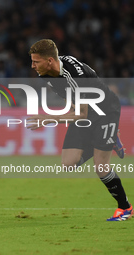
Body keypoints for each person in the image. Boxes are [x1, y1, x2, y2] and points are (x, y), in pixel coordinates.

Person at [27, 39, 132, 221]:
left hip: (105, 111)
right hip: (84, 109)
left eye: (36, 61)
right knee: (68, 163)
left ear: (50, 60)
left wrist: (48, 119)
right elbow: (74, 102)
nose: (32, 66)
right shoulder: (46, 73)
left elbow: (81, 114)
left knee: (101, 166)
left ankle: (125, 208)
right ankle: (108, 139)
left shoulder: (75, 76)